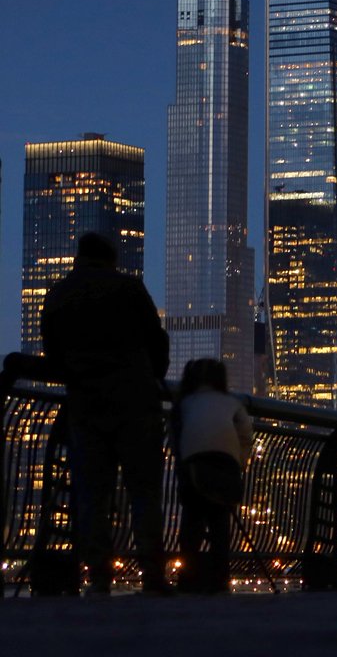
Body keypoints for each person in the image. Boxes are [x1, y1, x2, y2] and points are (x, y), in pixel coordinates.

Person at [40, 232, 170, 595]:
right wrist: (151, 375)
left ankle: (98, 577)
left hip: (85, 404)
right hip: (136, 401)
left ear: (80, 258)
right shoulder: (130, 289)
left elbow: (52, 351)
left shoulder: (59, 294)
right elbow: (157, 340)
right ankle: (153, 575)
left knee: (93, 494)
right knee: (144, 491)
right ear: (112, 259)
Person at [172, 359, 253, 594]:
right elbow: (246, 436)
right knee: (220, 523)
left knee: (191, 524)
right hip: (226, 465)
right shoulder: (232, 403)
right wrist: (240, 463)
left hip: (194, 465)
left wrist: (182, 470)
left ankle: (187, 579)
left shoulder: (184, 404)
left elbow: (176, 439)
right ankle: (220, 579)